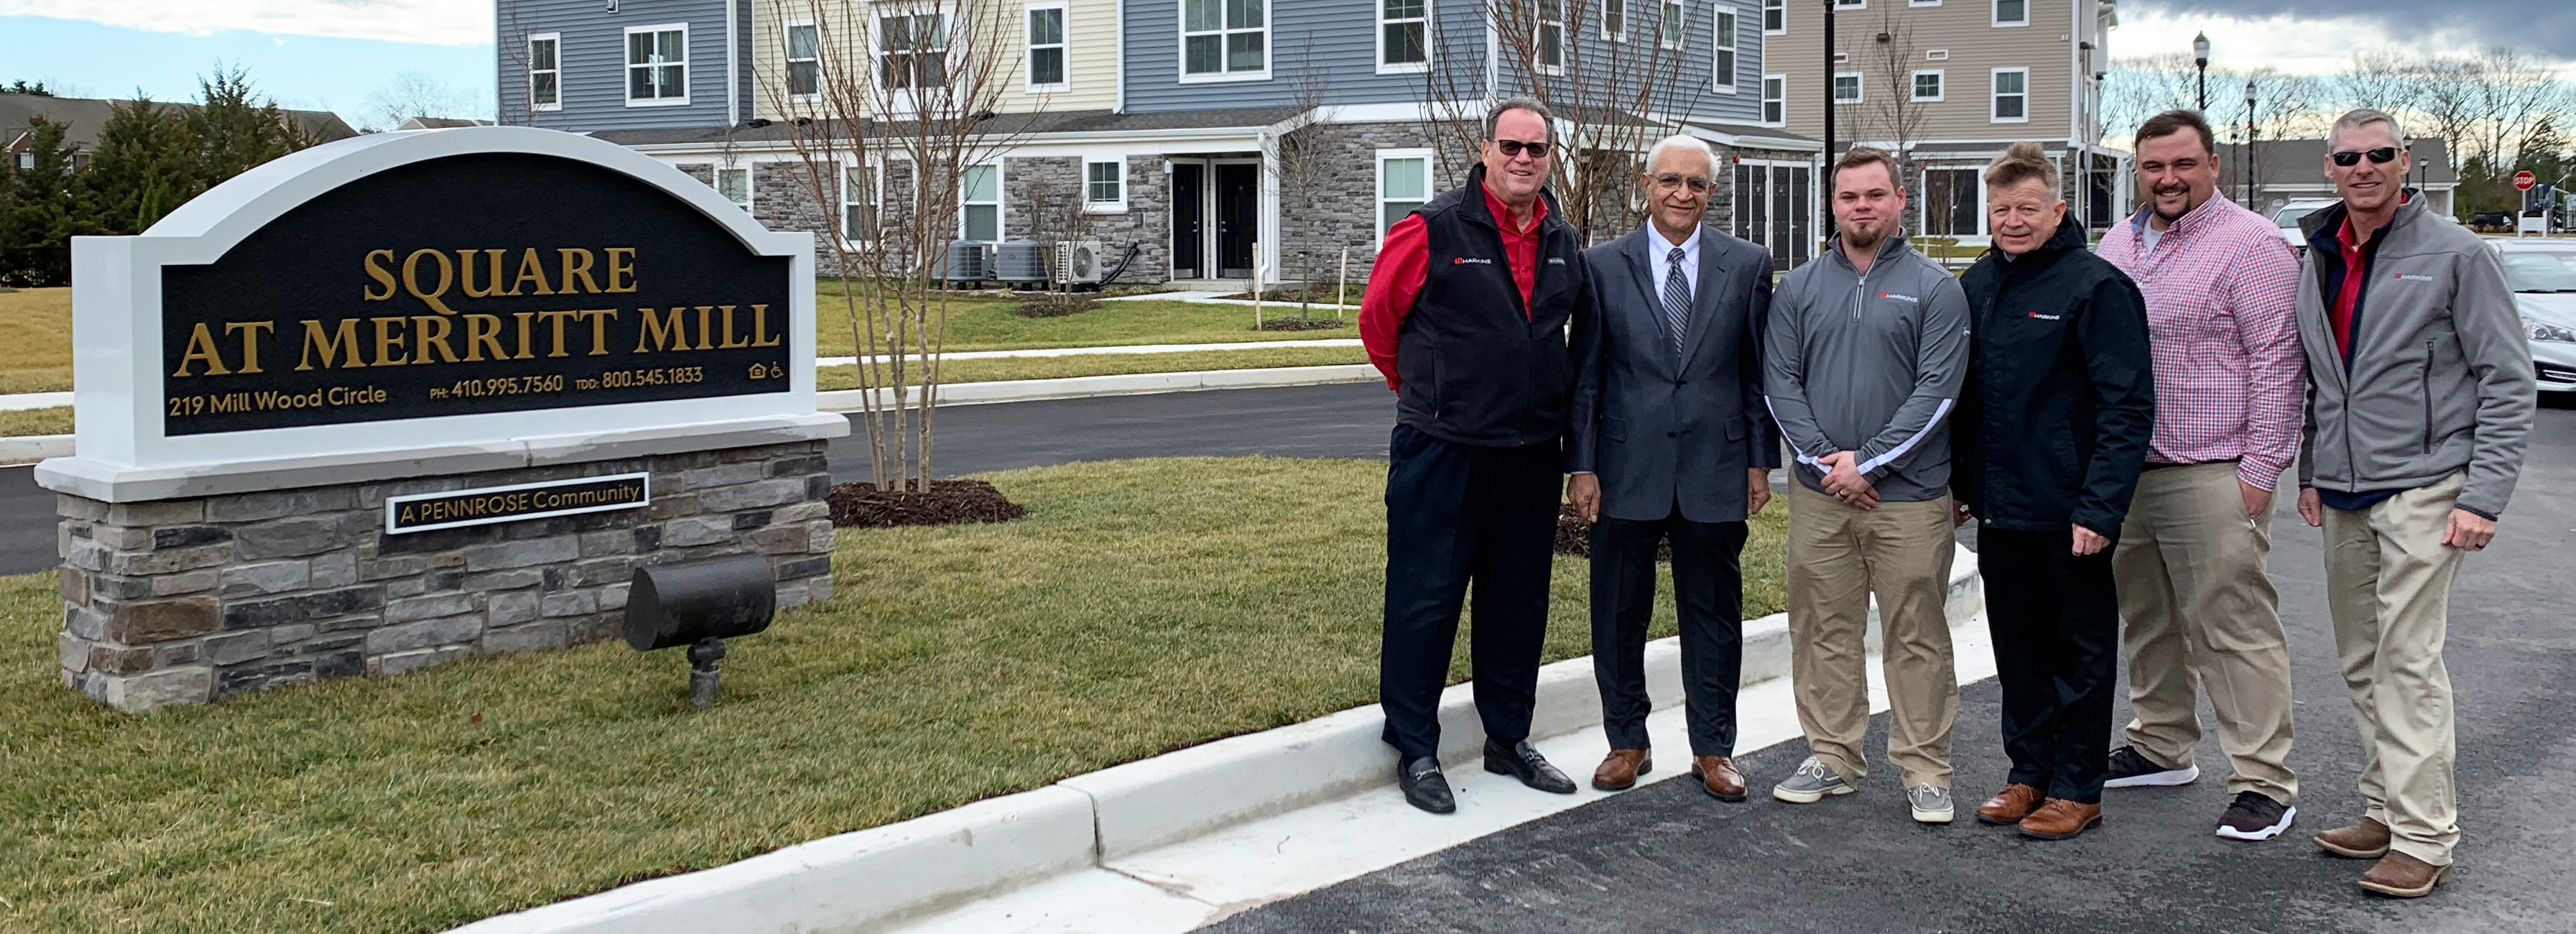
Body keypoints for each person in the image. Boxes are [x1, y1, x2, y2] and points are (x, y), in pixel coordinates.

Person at [2292, 108, 2534, 898]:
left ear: (2405, 163)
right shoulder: (2318, 253)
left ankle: (2426, 836)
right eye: (2347, 156)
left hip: (2426, 487)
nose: (2363, 167)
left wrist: (2482, 496)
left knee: (2406, 659)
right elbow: (2319, 375)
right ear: (2328, 167)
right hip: (2342, 488)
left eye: (2380, 154)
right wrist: (2308, 468)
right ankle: (2385, 809)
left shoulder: (2458, 254)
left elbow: (2506, 379)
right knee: (2362, 659)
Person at [1360, 97, 1589, 815]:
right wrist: (1431, 396)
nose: (1524, 159)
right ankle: (1415, 747)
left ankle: (1507, 737)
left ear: (1551, 157)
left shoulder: (1562, 237)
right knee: (1424, 599)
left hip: (1526, 454)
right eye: (1511, 146)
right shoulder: (1431, 229)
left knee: (1517, 601)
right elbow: (1378, 323)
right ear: (1484, 149)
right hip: (1442, 450)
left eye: (1537, 149)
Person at [2093, 109, 2306, 841]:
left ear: (2212, 164)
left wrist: (2260, 469)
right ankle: (2160, 744)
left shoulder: (2251, 245)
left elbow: (2278, 361)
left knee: (2232, 625)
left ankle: (2263, 780)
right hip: (2128, 470)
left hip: (2212, 467)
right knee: (2147, 617)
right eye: (2153, 167)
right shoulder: (2119, 242)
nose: (2168, 179)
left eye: (2183, 164)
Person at [1565, 134, 1779, 803]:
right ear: (1645, 184)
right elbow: (1587, 376)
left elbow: (1755, 372)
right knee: (1618, 609)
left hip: (1716, 467)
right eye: (1670, 181)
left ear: (1711, 193)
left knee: (1713, 613)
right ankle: (1626, 739)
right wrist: (1582, 465)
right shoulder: (1600, 266)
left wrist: (1758, 460)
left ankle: (1714, 748)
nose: (1683, 194)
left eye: (1697, 184)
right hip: (1626, 465)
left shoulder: (1748, 265)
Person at [1761, 147, 1971, 825]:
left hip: (1908, 500)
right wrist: (1829, 465)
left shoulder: (1937, 288)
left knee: (1917, 632)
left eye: (1875, 195)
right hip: (1822, 499)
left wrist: (1869, 463)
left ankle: (1925, 768)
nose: (1862, 207)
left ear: (1899, 200)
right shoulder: (1797, 289)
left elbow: (1937, 392)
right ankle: (1832, 754)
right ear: (1833, 203)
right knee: (1823, 625)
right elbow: (1780, 385)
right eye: (1850, 196)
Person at [1954, 142, 2154, 841]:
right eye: (2001, 208)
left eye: (2026, 208)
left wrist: (2100, 507)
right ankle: (2027, 772)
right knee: (2018, 649)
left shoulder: (2095, 288)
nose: (2012, 220)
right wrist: (1960, 485)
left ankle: (2076, 786)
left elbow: (2126, 408)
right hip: (2001, 509)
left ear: (2058, 209)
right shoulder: (1977, 285)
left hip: (2072, 513)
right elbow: (1965, 397)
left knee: (2080, 650)